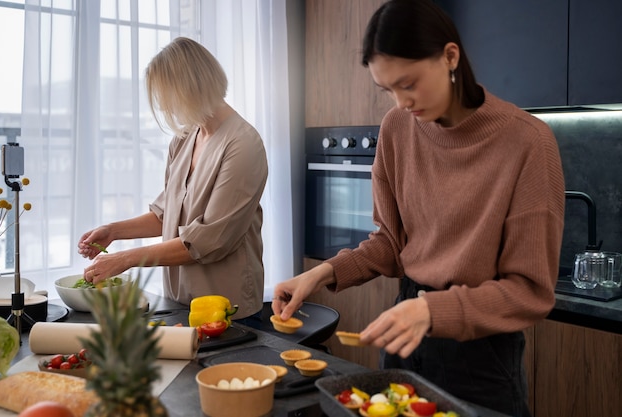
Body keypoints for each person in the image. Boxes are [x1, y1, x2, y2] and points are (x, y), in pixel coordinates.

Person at [273, 1, 564, 415]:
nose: (400, 102)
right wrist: (320, 274)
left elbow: (529, 292)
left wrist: (430, 310)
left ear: (450, 56)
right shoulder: (396, 129)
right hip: (404, 341)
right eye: (387, 89)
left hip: (481, 359)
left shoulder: (528, 143)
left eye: (408, 83)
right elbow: (391, 243)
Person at [78, 37, 268, 328]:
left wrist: (126, 260)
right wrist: (113, 231)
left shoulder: (243, 144)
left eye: (169, 99)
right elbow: (166, 215)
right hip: (179, 302)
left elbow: (207, 242)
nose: (167, 110)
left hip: (228, 310)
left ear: (191, 88)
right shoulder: (184, 139)